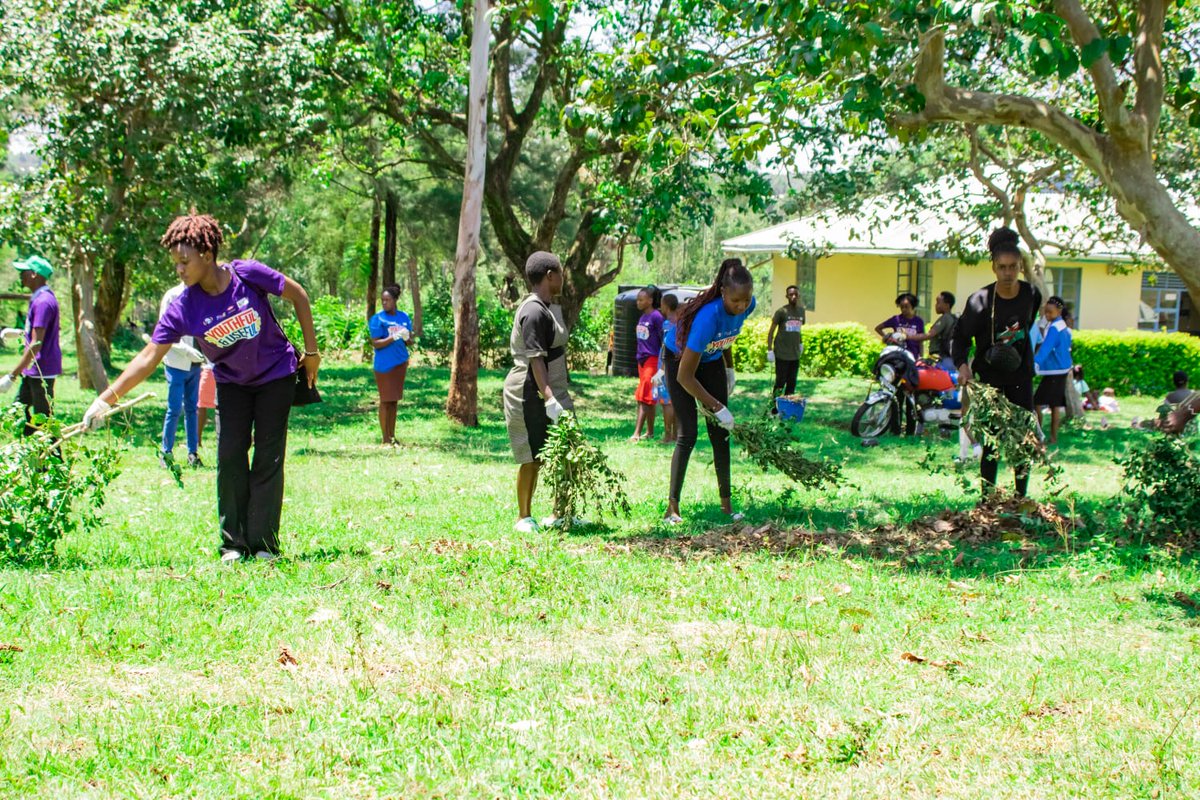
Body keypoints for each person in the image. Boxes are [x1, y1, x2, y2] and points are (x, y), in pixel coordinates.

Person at [81, 212, 320, 563]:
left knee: (268, 458)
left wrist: (312, 353)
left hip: (275, 376)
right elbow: (148, 357)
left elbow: (298, 295)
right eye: (175, 263)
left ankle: (265, 546)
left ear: (207, 255)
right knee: (230, 458)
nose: (179, 270)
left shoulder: (246, 274)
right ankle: (234, 545)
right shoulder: (184, 306)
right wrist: (105, 400)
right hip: (232, 383)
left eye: (184, 262)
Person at [951, 227, 1043, 497]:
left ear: (1020, 267)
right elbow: (960, 337)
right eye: (1002, 267)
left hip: (1020, 379)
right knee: (991, 444)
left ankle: (1020, 497)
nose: (1008, 273)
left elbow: (1027, 326)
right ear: (993, 267)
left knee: (1023, 441)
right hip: (989, 381)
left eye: (1013, 267)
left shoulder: (1031, 295)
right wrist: (963, 366)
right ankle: (987, 498)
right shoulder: (979, 301)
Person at [663, 258, 756, 524]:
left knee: (720, 435)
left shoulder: (747, 305)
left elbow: (728, 335)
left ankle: (726, 506)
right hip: (679, 360)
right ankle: (672, 508)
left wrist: (730, 369)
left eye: (746, 300)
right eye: (735, 300)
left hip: (711, 360)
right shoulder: (708, 317)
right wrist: (716, 406)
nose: (741, 307)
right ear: (723, 292)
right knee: (688, 434)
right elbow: (685, 376)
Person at [503, 251, 574, 533]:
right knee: (531, 455)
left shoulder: (547, 307)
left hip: (551, 390)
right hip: (528, 391)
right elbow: (535, 360)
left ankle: (560, 513)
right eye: (560, 271)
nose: (563, 276)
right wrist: (550, 399)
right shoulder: (533, 311)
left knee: (563, 450)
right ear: (549, 276)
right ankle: (524, 516)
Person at [0, 256, 61, 439]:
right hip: (34, 369)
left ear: (35, 274)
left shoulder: (43, 302)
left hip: (41, 370)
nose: (20, 276)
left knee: (44, 422)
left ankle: (55, 464)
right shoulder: (41, 299)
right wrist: (20, 332)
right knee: (20, 412)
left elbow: (36, 344)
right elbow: (37, 333)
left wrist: (12, 375)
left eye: (24, 272)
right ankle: (31, 460)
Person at [156, 283, 207, 468]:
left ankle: (192, 453)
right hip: (176, 362)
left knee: (192, 408)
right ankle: (166, 452)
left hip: (196, 363)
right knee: (174, 408)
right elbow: (164, 332)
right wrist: (186, 350)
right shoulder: (172, 295)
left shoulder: (202, 294)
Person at [368, 284, 412, 445]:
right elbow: (376, 343)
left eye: (387, 300)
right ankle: (385, 438)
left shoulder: (403, 317)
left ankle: (392, 436)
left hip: (400, 363)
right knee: (385, 400)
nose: (384, 303)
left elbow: (409, 341)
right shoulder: (378, 319)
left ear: (395, 300)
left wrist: (406, 337)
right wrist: (393, 337)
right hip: (384, 365)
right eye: (382, 300)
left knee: (394, 401)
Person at [1033, 296, 1073, 445]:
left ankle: (1040, 435)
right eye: (1045, 312)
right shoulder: (1063, 326)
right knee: (1055, 404)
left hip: (1053, 371)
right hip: (1061, 369)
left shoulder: (1055, 328)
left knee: (1037, 402)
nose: (1047, 315)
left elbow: (1046, 348)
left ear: (1059, 311)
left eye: (1050, 312)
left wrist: (1035, 363)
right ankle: (1053, 438)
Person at [630, 286, 664, 442]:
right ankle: (650, 432)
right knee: (648, 397)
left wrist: (662, 363)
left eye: (641, 299)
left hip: (652, 359)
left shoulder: (656, 317)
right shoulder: (642, 317)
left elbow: (663, 339)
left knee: (643, 396)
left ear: (650, 301)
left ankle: (636, 433)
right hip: (642, 360)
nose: (638, 302)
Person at [766, 284, 805, 408]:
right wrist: (770, 350)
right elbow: (771, 331)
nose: (793, 296)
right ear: (787, 296)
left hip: (795, 354)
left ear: (799, 296)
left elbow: (798, 330)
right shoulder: (782, 312)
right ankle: (773, 408)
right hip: (782, 353)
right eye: (791, 294)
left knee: (792, 383)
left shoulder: (801, 311)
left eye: (796, 294)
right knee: (780, 383)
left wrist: (800, 343)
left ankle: (787, 409)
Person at [654, 293, 680, 444]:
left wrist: (661, 369)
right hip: (676, 365)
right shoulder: (679, 323)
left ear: (666, 305)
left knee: (666, 402)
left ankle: (667, 435)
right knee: (676, 401)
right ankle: (677, 434)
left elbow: (666, 348)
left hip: (665, 366)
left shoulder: (666, 325)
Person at [910, 291, 958, 371]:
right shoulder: (953, 318)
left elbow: (929, 335)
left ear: (947, 305)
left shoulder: (945, 318)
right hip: (950, 360)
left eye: (938, 302)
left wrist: (908, 336)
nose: (936, 305)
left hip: (942, 359)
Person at [875, 293, 925, 359]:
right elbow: (878, 328)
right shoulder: (896, 319)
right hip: (898, 355)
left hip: (913, 355)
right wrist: (887, 338)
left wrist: (921, 356)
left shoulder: (919, 321)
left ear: (912, 306)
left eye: (906, 306)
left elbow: (921, 340)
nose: (903, 309)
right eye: (901, 307)